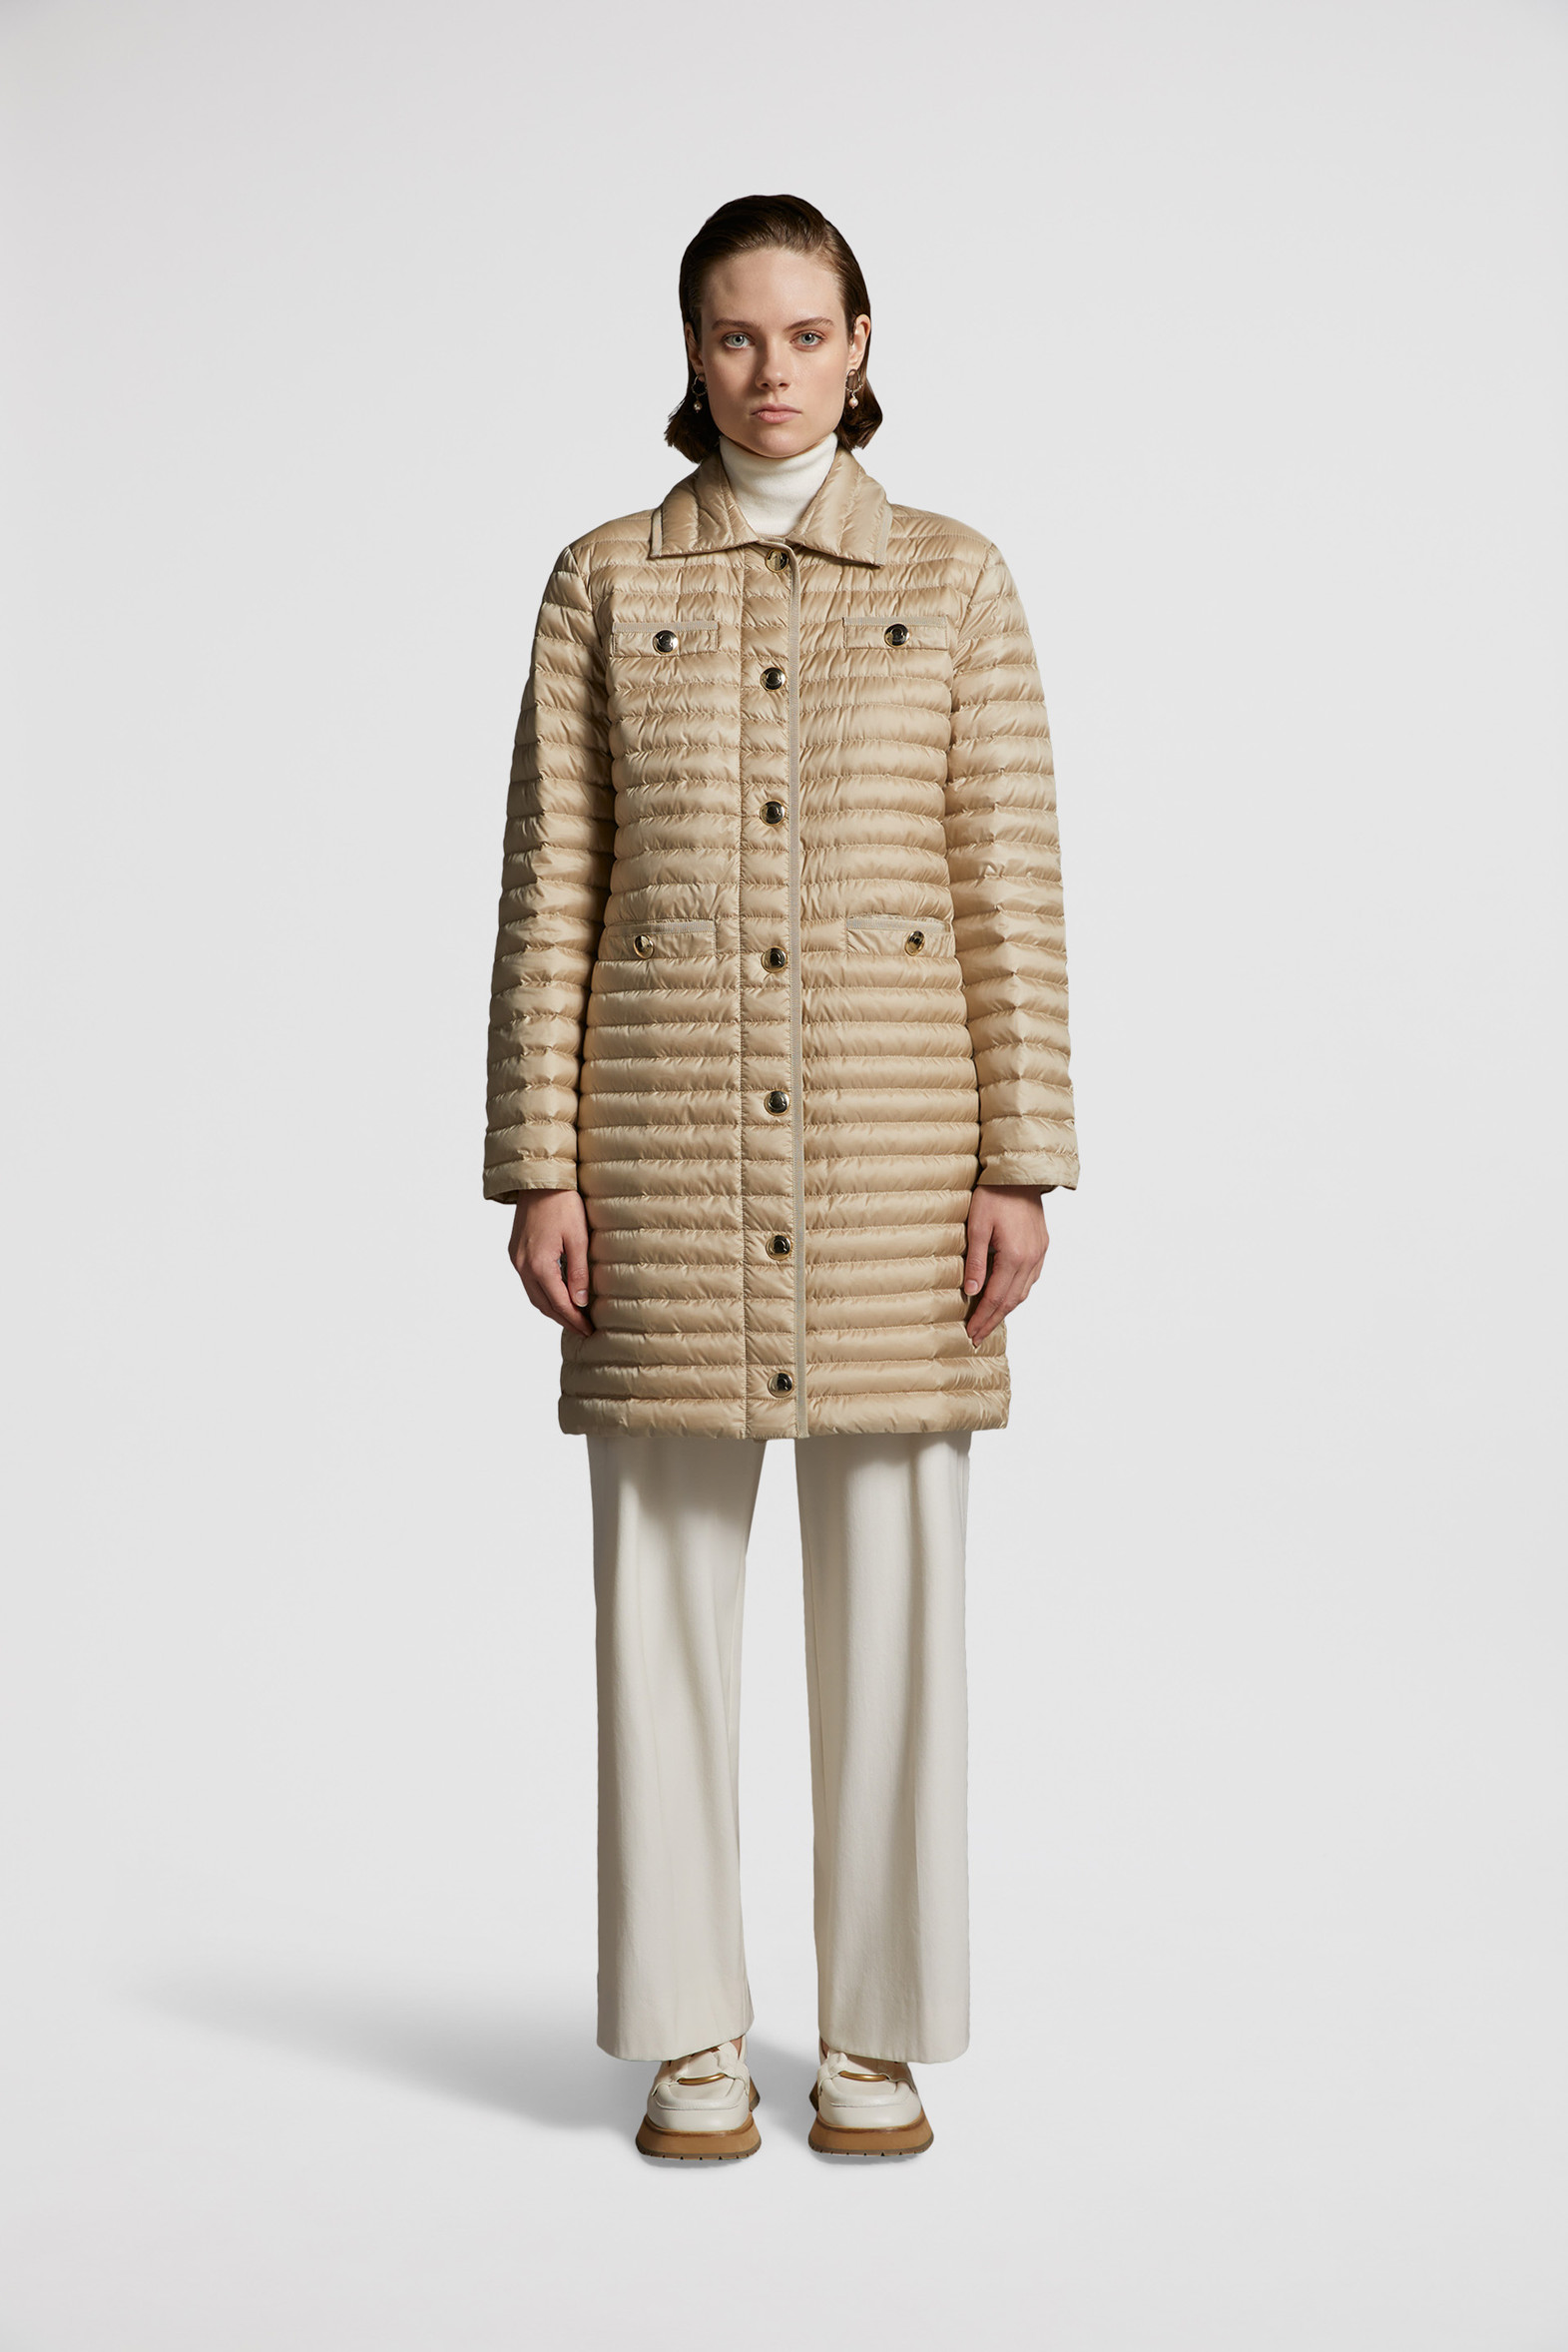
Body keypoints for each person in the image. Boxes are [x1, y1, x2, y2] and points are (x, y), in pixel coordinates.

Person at [484, 193, 1078, 2161]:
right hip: (656, 1149)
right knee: (658, 1601)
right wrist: (537, 1160)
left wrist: (1023, 1158)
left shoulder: (959, 579)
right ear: (691, 349)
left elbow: (1008, 883)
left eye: (806, 333)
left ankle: (877, 2034)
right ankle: (687, 2031)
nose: (771, 371)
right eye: (735, 335)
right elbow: (551, 885)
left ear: (861, 341)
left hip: (903, 1154)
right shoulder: (600, 582)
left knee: (897, 1601)